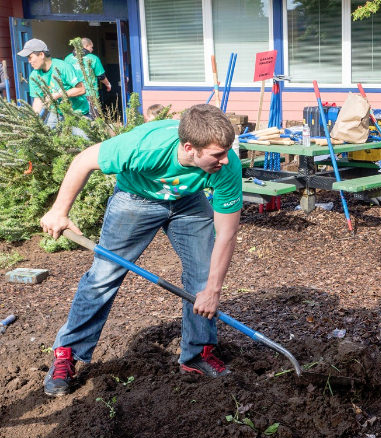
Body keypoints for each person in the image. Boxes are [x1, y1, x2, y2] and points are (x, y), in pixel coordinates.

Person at [39, 104, 243, 396]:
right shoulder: (144, 146)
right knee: (103, 277)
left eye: (226, 151)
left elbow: (226, 233)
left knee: (203, 276)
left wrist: (213, 289)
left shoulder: (226, 165)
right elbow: (83, 161)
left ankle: (197, 354)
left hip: (187, 201)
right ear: (189, 148)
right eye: (217, 154)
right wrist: (59, 210)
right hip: (136, 197)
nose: (225, 160)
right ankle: (67, 355)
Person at [17, 38, 89, 126]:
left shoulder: (63, 67)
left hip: (77, 112)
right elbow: (38, 100)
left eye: (30, 57)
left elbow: (81, 89)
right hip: (56, 113)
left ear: (41, 54)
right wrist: (33, 121)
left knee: (81, 138)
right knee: (48, 136)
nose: (29, 61)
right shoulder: (34, 76)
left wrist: (59, 95)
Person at [64, 38, 111, 104]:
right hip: (90, 94)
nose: (92, 49)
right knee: (92, 113)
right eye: (91, 47)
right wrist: (108, 84)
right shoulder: (93, 58)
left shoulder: (67, 58)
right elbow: (101, 76)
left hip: (74, 94)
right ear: (86, 46)